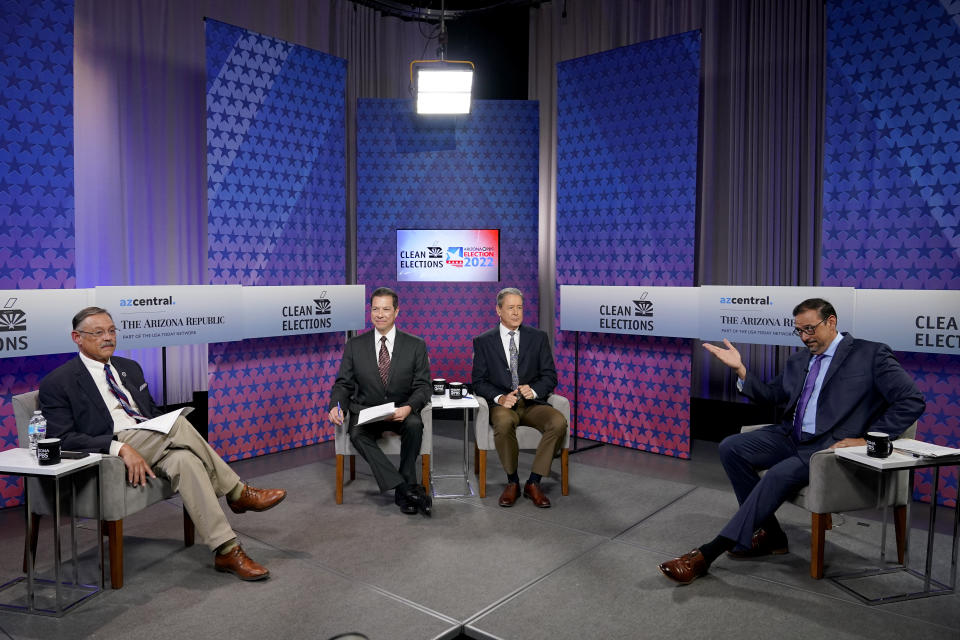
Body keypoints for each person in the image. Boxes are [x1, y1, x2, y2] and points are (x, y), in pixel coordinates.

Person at [658, 298, 925, 585]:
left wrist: (865, 440)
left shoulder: (870, 354)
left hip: (825, 448)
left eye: (810, 329)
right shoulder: (800, 359)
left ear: (831, 322)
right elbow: (772, 395)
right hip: (790, 436)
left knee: (778, 474)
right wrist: (741, 371)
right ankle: (772, 536)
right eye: (799, 330)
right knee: (731, 447)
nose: (805, 337)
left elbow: (911, 400)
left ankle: (707, 554)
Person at [39, 307, 287, 581]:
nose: (108, 338)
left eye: (111, 331)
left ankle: (226, 550)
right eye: (98, 333)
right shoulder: (58, 382)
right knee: (179, 425)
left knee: (187, 460)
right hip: (110, 451)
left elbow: (150, 413)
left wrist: (157, 425)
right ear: (77, 337)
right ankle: (237, 492)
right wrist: (119, 448)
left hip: (149, 441)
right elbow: (63, 439)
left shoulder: (129, 367)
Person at [327, 287, 433, 516]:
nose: (380, 314)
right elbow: (343, 384)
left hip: (400, 410)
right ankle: (406, 489)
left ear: (396, 312)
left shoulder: (415, 345)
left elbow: (424, 386)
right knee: (356, 434)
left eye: (386, 309)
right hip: (366, 411)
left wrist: (409, 407)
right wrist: (336, 406)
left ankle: (404, 487)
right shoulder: (355, 345)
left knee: (415, 425)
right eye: (375, 309)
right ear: (370, 311)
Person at [471, 287, 568, 508]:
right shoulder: (483, 341)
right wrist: (499, 397)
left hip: (533, 403)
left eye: (520, 308)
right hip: (504, 404)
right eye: (510, 308)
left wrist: (533, 390)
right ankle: (512, 481)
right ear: (498, 310)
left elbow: (550, 376)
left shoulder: (538, 338)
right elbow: (478, 381)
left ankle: (534, 482)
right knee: (504, 423)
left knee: (558, 421)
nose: (516, 313)